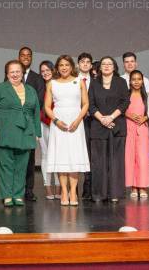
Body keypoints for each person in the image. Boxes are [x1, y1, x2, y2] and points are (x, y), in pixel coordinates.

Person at [0, 60, 41, 207]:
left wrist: (37, 131)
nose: (15, 74)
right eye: (12, 72)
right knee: (6, 165)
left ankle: (18, 195)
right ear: (7, 74)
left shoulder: (30, 90)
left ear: (22, 72)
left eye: (18, 71)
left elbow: (36, 112)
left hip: (26, 132)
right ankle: (7, 195)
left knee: (22, 167)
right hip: (5, 131)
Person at [44, 55, 90, 206]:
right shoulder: (52, 83)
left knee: (74, 157)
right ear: (57, 67)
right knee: (61, 157)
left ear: (72, 66)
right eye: (61, 65)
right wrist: (56, 121)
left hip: (76, 123)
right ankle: (64, 191)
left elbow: (85, 104)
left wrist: (78, 120)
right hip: (59, 123)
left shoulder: (79, 82)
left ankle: (73, 191)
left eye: (67, 64)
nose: (64, 67)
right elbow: (46, 107)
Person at [88, 56, 130, 202]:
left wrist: (111, 117)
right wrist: (102, 119)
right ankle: (99, 194)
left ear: (114, 67)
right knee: (98, 162)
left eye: (109, 64)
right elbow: (91, 104)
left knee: (116, 161)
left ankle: (115, 194)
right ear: (99, 67)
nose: (106, 66)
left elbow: (125, 102)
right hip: (98, 126)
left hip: (116, 125)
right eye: (103, 64)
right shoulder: (93, 83)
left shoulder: (121, 82)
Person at [19, 46, 45, 202]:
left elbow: (40, 100)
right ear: (19, 57)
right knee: (15, 158)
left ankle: (28, 190)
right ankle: (15, 189)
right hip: (13, 124)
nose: (26, 57)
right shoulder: (11, 75)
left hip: (29, 123)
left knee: (29, 158)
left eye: (29, 55)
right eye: (23, 55)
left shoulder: (37, 78)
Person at [125, 70, 149, 199]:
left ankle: (143, 187)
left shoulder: (147, 96)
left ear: (142, 81)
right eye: (133, 79)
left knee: (142, 158)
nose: (136, 81)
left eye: (139, 79)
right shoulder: (125, 95)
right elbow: (120, 109)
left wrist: (145, 118)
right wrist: (128, 114)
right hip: (129, 128)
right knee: (130, 158)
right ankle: (133, 187)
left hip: (142, 129)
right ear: (130, 81)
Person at [38, 60, 61, 199]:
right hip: (42, 123)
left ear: (53, 70)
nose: (45, 73)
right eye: (43, 71)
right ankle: (47, 187)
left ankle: (59, 188)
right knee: (46, 155)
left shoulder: (59, 84)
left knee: (58, 156)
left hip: (57, 124)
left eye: (48, 70)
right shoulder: (39, 86)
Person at [77, 52, 94, 200]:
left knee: (89, 154)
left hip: (92, 121)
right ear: (78, 64)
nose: (85, 64)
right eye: (83, 62)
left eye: (88, 62)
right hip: (75, 121)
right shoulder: (73, 80)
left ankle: (88, 190)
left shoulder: (96, 80)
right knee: (75, 154)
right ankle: (72, 190)